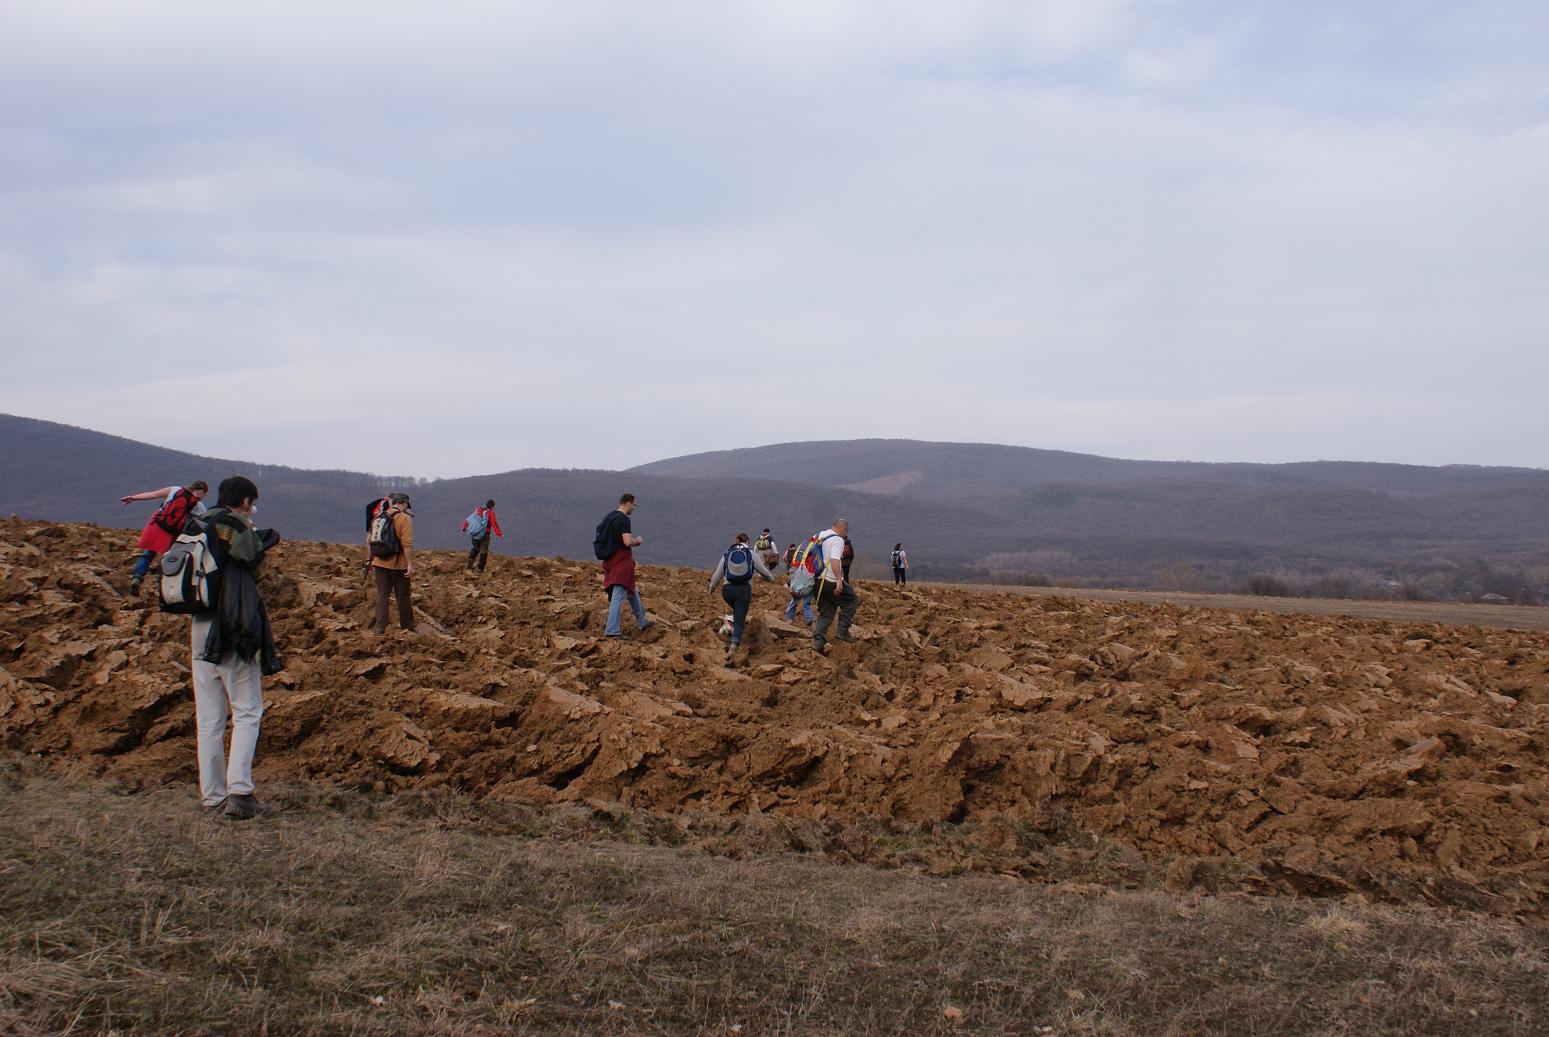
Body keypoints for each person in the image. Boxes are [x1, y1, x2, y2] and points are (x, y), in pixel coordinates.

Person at [191, 475, 280, 820]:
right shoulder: (233, 525)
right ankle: (240, 793)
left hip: (199, 623)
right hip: (231, 624)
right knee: (246, 710)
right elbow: (257, 567)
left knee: (209, 717)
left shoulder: (198, 524)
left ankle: (212, 796)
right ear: (245, 501)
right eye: (252, 502)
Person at [120, 481, 209, 595]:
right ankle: (162, 586)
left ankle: (138, 577)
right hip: (171, 534)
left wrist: (133, 498)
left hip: (158, 527)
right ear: (202, 491)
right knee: (168, 559)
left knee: (148, 554)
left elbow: (152, 494)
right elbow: (204, 522)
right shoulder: (198, 505)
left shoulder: (174, 489)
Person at [708, 532, 775, 653]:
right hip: (743, 590)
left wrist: (711, 588)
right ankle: (734, 646)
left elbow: (718, 573)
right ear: (747, 542)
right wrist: (771, 579)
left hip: (727, 590)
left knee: (738, 610)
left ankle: (729, 625)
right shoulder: (751, 554)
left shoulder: (727, 553)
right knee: (740, 618)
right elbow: (763, 571)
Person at [597, 493, 651, 638]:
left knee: (633, 591)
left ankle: (643, 622)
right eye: (634, 505)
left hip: (611, 561)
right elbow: (627, 541)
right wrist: (637, 541)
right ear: (628, 503)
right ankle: (612, 630)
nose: (634, 508)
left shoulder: (609, 517)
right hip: (622, 563)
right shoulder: (623, 519)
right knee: (618, 596)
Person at [812, 518, 861, 655]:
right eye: (846, 532)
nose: (846, 536)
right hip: (829, 579)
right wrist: (839, 580)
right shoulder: (838, 539)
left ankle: (818, 643)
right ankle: (843, 631)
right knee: (852, 600)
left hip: (816, 581)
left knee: (826, 612)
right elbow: (834, 560)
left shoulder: (820, 535)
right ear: (842, 529)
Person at [368, 492, 415, 633]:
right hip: (397, 564)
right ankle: (407, 628)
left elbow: (370, 540)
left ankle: (379, 628)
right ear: (403, 504)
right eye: (406, 505)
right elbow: (406, 544)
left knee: (383, 595)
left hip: (379, 562)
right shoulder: (404, 518)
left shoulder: (378, 517)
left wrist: (369, 560)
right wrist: (409, 564)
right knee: (403, 597)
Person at [462, 498, 504, 573]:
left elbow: (469, 519)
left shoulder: (479, 510)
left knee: (475, 548)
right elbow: (494, 524)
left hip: (474, 534)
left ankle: (471, 559)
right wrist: (499, 534)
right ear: (492, 506)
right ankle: (480, 568)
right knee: (484, 551)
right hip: (484, 534)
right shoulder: (490, 513)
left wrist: (464, 527)